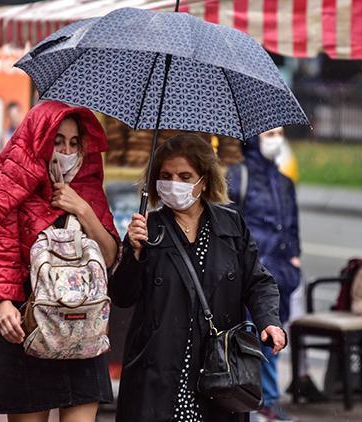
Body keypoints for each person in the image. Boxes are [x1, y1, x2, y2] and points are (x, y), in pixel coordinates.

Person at [110, 134, 287, 422]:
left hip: (217, 373)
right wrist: (134, 253)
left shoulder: (231, 225)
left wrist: (269, 322)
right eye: (166, 176)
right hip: (159, 374)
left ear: (203, 180)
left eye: (184, 176)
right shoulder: (148, 229)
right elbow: (122, 295)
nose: (173, 183)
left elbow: (258, 281)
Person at [0, 100, 120, 422]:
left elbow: (108, 257)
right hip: (29, 326)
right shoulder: (12, 188)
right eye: (58, 140)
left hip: (83, 329)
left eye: (74, 142)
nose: (66, 150)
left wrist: (82, 209)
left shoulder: (87, 189)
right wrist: (4, 306)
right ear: (39, 139)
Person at [228, 127, 320, 422]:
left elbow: (291, 225)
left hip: (280, 274)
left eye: (279, 133)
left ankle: (264, 398)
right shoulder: (237, 176)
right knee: (255, 336)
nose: (276, 139)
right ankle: (264, 398)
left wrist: (293, 261)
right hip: (253, 272)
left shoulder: (283, 181)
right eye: (269, 134)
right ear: (254, 138)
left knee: (274, 336)